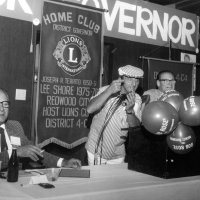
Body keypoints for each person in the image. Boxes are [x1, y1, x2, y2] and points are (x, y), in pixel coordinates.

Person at [0, 88, 81, 170]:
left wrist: (63, 162)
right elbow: (16, 152)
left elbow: (34, 151)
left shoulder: (15, 126)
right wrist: (16, 152)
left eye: (5, 104)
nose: (2, 109)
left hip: (16, 179)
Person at [85, 65, 144, 165]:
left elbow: (135, 127)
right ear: (121, 79)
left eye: (137, 80)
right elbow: (90, 109)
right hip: (96, 150)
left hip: (118, 153)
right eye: (130, 79)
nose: (134, 84)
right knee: (98, 180)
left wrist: (130, 112)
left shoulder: (137, 98)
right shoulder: (106, 90)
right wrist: (109, 91)